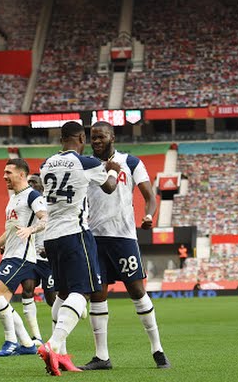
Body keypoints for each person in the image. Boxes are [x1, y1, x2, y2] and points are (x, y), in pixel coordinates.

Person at [81, 120, 170, 371]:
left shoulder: (131, 162)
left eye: (101, 136)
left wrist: (149, 215)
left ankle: (157, 349)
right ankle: (102, 356)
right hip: (94, 238)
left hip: (123, 237)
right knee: (98, 294)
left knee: (137, 291)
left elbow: (150, 197)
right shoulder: (86, 165)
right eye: (93, 137)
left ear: (112, 137)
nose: (96, 141)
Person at [37, 121, 119, 377]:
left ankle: (59, 354)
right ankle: (53, 345)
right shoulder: (86, 163)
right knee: (82, 292)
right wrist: (113, 171)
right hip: (75, 233)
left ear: (61, 138)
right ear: (82, 138)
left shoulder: (45, 164)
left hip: (51, 237)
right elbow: (109, 188)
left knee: (62, 293)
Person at [0, 158, 46, 357]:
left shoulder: (32, 195)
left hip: (22, 256)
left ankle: (11, 341)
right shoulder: (14, 198)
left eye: (8, 173)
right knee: (1, 299)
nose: (4, 176)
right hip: (10, 254)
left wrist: (31, 229)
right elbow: (10, 231)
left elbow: (45, 219)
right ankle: (27, 344)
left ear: (21, 174)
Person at [20, 174, 57, 347]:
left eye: (33, 182)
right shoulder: (24, 204)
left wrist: (53, 247)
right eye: (28, 182)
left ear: (42, 185)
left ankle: (74, 309)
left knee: (51, 300)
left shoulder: (51, 204)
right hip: (31, 256)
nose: (30, 185)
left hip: (48, 259)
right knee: (27, 290)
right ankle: (36, 336)